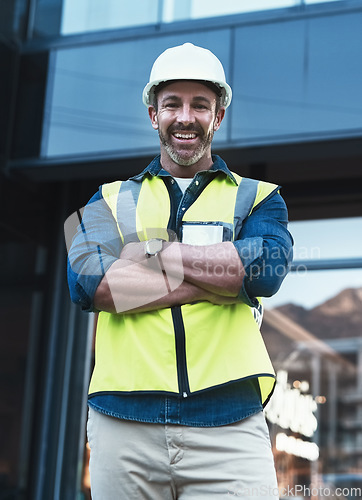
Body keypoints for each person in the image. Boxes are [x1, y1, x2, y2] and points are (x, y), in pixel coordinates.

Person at [66, 42, 293, 499]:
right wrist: (222, 279)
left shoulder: (259, 197)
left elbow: (264, 269)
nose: (185, 117)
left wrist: (150, 251)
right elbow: (90, 284)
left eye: (200, 105)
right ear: (154, 114)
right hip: (122, 423)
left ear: (218, 117)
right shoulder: (107, 199)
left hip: (229, 423)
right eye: (172, 104)